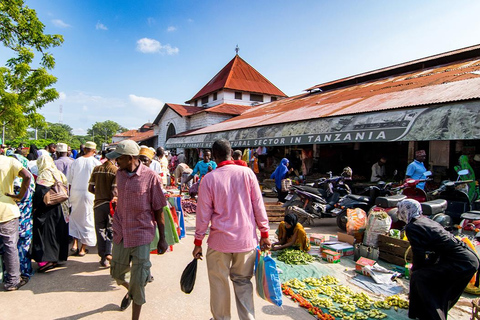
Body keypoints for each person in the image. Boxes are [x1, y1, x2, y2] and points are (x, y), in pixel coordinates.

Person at [192, 139, 271, 320]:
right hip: (246, 241)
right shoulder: (247, 173)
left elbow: (203, 215)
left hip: (219, 242)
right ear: (231, 152)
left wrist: (198, 242)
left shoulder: (210, 179)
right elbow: (258, 205)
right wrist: (265, 234)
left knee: (219, 283)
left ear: (215, 156)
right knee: (243, 282)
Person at [106, 140, 168, 320]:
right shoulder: (119, 174)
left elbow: (158, 209)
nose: (116, 162)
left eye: (119, 158)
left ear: (131, 158)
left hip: (141, 234)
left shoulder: (151, 177)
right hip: (121, 233)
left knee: (139, 281)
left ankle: (135, 311)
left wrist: (162, 238)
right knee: (116, 274)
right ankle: (130, 290)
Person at [397, 199, 479, 320]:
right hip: (468, 260)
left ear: (405, 211)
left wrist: (415, 269)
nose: (398, 212)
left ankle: (430, 315)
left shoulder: (412, 227)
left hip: (461, 262)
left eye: (400, 210)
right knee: (441, 289)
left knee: (421, 279)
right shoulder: (425, 220)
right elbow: (436, 247)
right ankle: (421, 313)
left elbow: (418, 253)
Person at [31, 155, 70, 273]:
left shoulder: (44, 174)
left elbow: (41, 192)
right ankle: (59, 257)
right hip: (61, 206)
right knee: (59, 231)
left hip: (48, 208)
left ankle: (48, 259)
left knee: (47, 234)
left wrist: (35, 207)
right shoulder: (58, 172)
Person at [0, 153, 32, 290]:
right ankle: (13, 280)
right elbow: (27, 176)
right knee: (10, 246)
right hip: (6, 209)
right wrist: (19, 195)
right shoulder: (9, 161)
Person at [67, 141, 101, 256]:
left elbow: (70, 181)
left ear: (84, 150)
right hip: (89, 194)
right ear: (94, 151)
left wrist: (71, 194)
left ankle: (75, 244)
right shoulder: (96, 163)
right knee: (88, 219)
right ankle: (82, 248)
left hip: (75, 192)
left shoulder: (76, 162)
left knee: (75, 217)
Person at [7, 152, 36, 280]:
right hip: (26, 219)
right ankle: (25, 270)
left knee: (11, 246)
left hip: (13, 218)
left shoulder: (13, 182)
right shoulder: (31, 179)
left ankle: (13, 273)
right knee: (23, 246)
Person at [88, 152, 118, 268]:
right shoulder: (115, 170)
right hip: (110, 204)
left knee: (100, 229)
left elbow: (90, 188)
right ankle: (109, 253)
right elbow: (114, 191)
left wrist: (99, 193)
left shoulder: (96, 169)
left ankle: (103, 256)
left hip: (98, 203)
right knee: (110, 229)